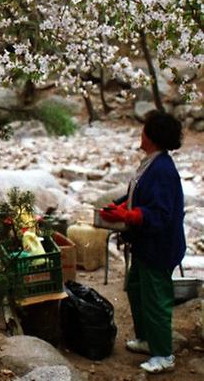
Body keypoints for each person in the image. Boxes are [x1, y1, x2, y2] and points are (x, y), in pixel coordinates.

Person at [99, 111, 186, 374]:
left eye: (144, 129)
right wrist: (119, 205)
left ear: (152, 136)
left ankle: (164, 354)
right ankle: (148, 339)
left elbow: (159, 213)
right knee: (136, 289)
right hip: (145, 245)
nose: (141, 133)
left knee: (155, 298)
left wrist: (126, 215)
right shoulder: (152, 163)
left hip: (159, 247)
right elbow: (137, 194)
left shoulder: (163, 170)